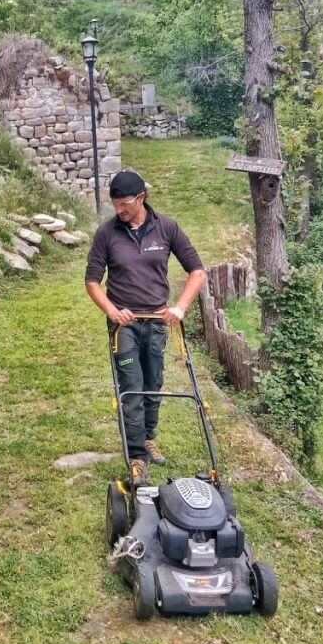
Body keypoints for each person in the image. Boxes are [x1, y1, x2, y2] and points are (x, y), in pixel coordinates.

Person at [85, 169, 206, 487]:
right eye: (114, 204)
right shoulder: (107, 233)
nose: (119, 210)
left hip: (156, 322)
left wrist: (179, 307)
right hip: (124, 324)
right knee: (132, 388)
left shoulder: (166, 227)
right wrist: (112, 311)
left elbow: (197, 271)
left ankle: (148, 437)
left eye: (124, 203)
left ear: (141, 198)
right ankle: (137, 456)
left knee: (153, 384)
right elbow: (92, 282)